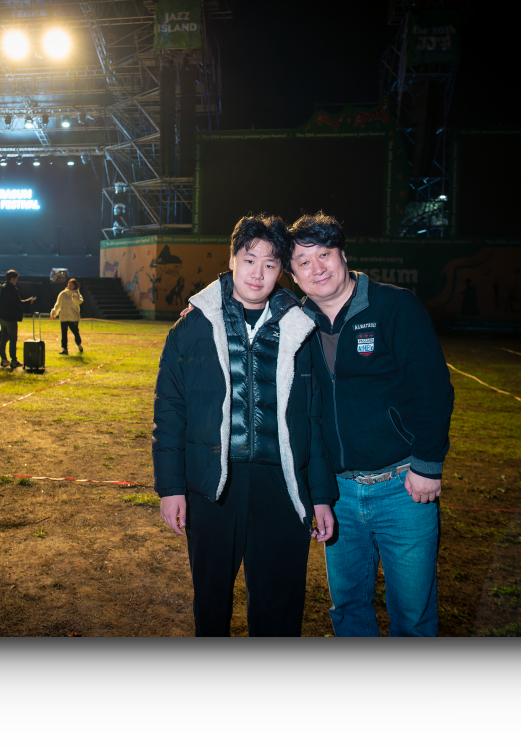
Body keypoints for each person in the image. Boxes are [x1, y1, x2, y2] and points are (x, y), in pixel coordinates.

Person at [152, 214, 337, 637]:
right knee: (211, 604)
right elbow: (170, 411)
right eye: (250, 260)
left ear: (281, 269)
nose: (258, 273)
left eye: (270, 264)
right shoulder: (193, 325)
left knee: (278, 610)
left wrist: (322, 495)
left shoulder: (300, 328)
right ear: (232, 258)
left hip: (282, 487)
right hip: (214, 487)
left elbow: (313, 419)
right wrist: (171, 487)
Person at [287, 212, 454, 637]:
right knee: (348, 612)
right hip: (338, 494)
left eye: (324, 254)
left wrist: (428, 464)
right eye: (303, 261)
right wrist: (200, 307)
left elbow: (433, 388)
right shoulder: (295, 324)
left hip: (403, 489)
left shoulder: (394, 306)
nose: (316, 267)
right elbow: (245, 290)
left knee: (413, 618)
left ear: (343, 256)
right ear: (293, 275)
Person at [0, 269, 35, 369]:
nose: (16, 281)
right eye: (16, 279)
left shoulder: (2, 287)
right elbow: (18, 303)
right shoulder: (12, 289)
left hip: (2, 317)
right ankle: (13, 360)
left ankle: (3, 359)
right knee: (13, 340)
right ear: (12, 279)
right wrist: (29, 301)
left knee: (3, 339)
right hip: (10, 318)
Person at [50, 278, 84, 355]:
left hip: (73, 318)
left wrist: (75, 298)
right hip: (64, 317)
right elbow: (58, 304)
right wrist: (53, 314)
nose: (69, 285)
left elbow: (79, 302)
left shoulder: (77, 293)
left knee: (76, 333)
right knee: (64, 334)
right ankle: (64, 349)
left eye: (71, 284)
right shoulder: (63, 293)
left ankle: (79, 345)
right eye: (69, 284)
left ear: (75, 285)